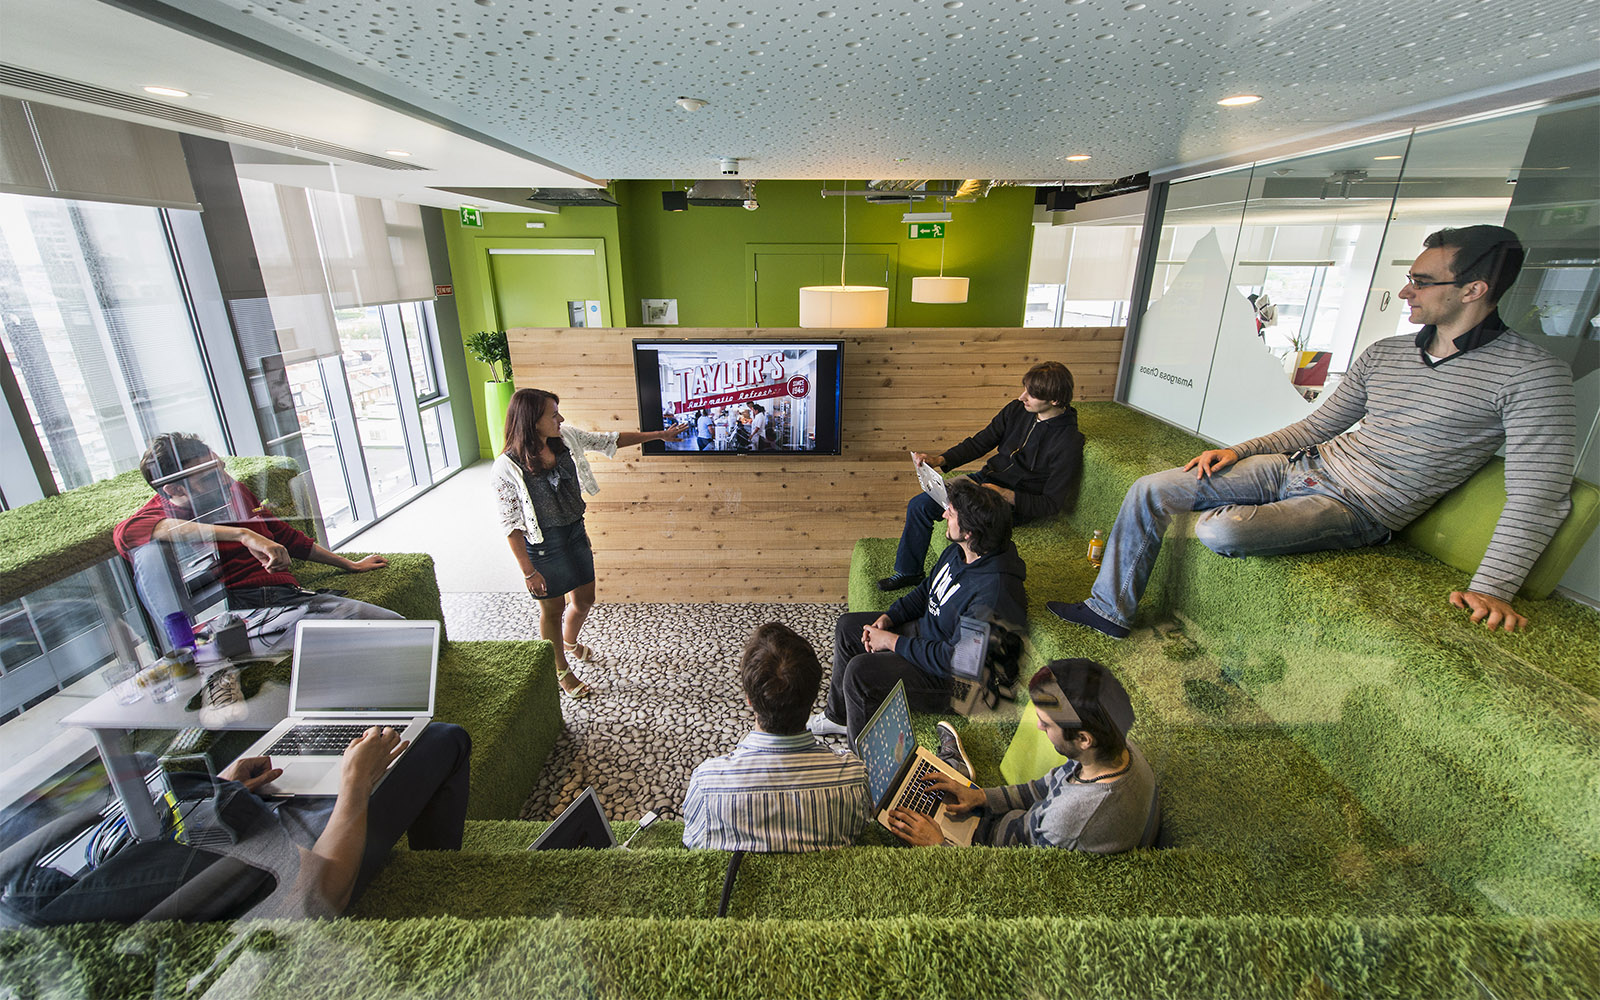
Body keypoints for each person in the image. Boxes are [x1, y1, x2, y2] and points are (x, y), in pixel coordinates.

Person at [1046, 225, 1576, 638]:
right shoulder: (1387, 353)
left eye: (1421, 281)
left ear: (1474, 289)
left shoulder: (1531, 374)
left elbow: (1540, 493)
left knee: (1219, 530)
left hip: (1359, 507)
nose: (1406, 290)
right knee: (1152, 487)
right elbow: (1321, 424)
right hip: (1297, 467)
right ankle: (1107, 610)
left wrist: (1493, 587)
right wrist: (1237, 450)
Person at [0, 724, 471, 923]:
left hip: (222, 828)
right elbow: (316, 896)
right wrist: (355, 781)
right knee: (444, 738)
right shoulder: (43, 912)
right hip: (274, 865)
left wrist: (221, 791)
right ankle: (438, 874)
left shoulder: (25, 892)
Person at [493, 387, 688, 697]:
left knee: (584, 600)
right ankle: (561, 670)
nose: (561, 418)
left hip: (574, 531)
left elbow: (610, 440)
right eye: (553, 414)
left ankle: (570, 642)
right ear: (532, 420)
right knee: (552, 610)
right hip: (543, 544)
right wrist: (529, 572)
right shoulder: (507, 467)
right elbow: (511, 526)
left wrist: (660, 435)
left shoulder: (566, 438)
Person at [113, 432, 398, 636]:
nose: (226, 480)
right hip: (246, 606)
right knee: (388, 630)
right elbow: (126, 533)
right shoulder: (158, 514)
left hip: (285, 596)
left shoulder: (233, 489)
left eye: (221, 468)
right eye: (210, 477)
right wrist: (241, 535)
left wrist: (349, 564)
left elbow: (284, 535)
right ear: (174, 490)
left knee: (397, 626)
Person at [811, 479, 1028, 744]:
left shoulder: (994, 592)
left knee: (860, 673)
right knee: (848, 628)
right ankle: (838, 718)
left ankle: (862, 760)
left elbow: (957, 661)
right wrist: (890, 617)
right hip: (931, 636)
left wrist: (892, 642)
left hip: (958, 683)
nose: (944, 514)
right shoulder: (959, 552)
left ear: (970, 532)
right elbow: (927, 590)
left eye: (952, 513)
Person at [884, 659, 1158, 851]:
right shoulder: (1118, 749)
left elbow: (1011, 880)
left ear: (1084, 739)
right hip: (1015, 823)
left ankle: (955, 768)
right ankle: (961, 774)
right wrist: (980, 797)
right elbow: (1044, 786)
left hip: (988, 848)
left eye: (1047, 724)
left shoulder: (1071, 819)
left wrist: (938, 845)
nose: (1039, 727)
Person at [879, 361, 1084, 591]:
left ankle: (947, 587)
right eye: (1024, 388)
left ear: (1054, 400)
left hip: (1014, 502)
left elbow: (1051, 504)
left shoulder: (1068, 442)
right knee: (920, 505)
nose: (1022, 397)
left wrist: (1007, 495)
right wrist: (941, 460)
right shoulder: (1017, 410)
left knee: (964, 524)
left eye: (1032, 394)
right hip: (983, 482)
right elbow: (980, 442)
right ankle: (909, 572)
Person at [682, 623, 871, 851]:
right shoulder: (853, 777)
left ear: (749, 700)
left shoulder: (706, 785)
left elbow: (692, 846)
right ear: (813, 698)